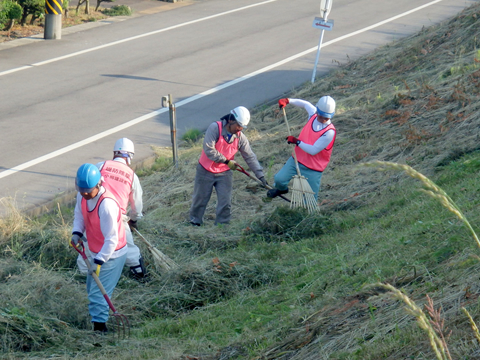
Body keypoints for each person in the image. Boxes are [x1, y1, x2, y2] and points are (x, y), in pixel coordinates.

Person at [76, 138, 146, 279]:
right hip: (117, 216)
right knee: (126, 247)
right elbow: (136, 205)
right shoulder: (132, 176)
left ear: (115, 153)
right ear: (130, 156)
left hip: (94, 211)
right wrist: (133, 219)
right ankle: (139, 272)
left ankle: (85, 275)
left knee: (92, 243)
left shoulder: (100, 166)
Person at [71, 163, 128, 333]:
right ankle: (99, 321)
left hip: (113, 254)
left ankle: (100, 330)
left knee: (97, 294)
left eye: (88, 190)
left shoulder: (107, 205)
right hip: (95, 250)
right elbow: (79, 215)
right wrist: (76, 233)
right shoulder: (82, 196)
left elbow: (112, 239)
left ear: (99, 184)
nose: (85, 193)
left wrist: (99, 261)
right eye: (81, 189)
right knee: (92, 289)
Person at [189, 106, 266, 225]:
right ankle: (195, 222)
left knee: (225, 202)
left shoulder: (240, 137)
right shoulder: (215, 128)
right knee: (200, 199)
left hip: (224, 173)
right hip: (206, 170)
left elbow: (249, 156)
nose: (239, 129)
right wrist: (227, 161)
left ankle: (222, 226)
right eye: (238, 125)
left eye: (242, 127)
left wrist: (260, 175)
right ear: (230, 120)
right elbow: (209, 150)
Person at [267, 96, 336, 200]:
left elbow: (313, 150)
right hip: (296, 160)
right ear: (317, 111)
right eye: (321, 116)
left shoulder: (330, 132)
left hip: (313, 168)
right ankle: (282, 189)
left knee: (310, 198)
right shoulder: (313, 115)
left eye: (326, 118)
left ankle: (308, 214)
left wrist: (297, 142)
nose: (322, 119)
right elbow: (305, 104)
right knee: (279, 179)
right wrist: (288, 101)